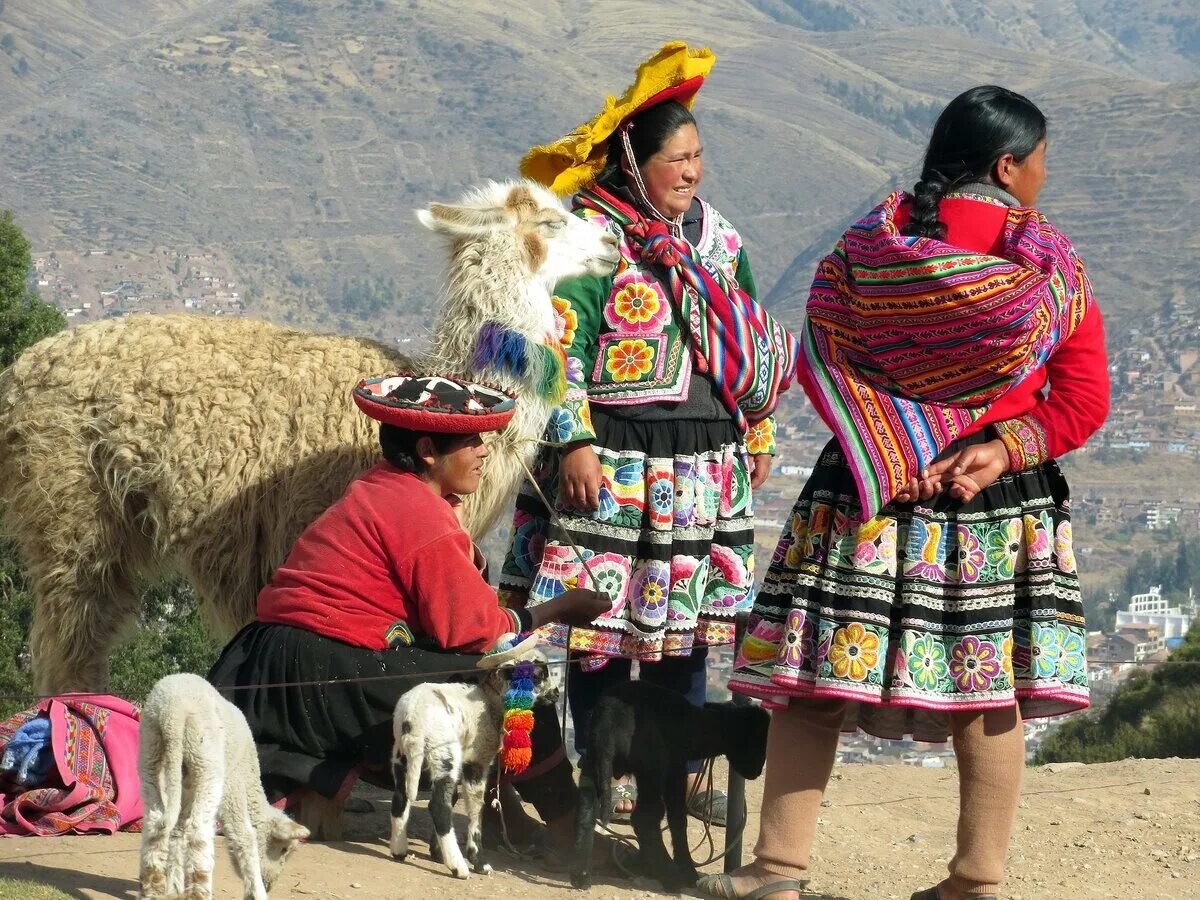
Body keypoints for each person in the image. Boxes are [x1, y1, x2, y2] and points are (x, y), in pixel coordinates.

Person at [704, 86, 1110, 900]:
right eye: (1040, 161)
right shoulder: (1049, 267)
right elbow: (1084, 397)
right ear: (1006, 165)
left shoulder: (864, 251)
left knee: (818, 677)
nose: (1043, 175)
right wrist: (999, 448)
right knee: (987, 690)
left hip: (864, 493)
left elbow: (822, 358)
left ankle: (777, 870)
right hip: (993, 504)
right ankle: (976, 880)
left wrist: (887, 445)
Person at [504, 42, 800, 825]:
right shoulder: (591, 237)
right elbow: (553, 345)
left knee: (687, 627)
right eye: (678, 157)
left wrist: (759, 432)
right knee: (601, 623)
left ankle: (676, 782)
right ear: (636, 162)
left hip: (706, 463)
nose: (693, 171)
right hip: (617, 460)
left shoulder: (719, 239)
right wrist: (572, 440)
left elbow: (746, 337)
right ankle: (597, 780)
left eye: (700, 156)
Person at [207, 372, 612, 863]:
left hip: (266, 662)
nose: (483, 451)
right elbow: (472, 633)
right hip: (320, 670)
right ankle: (573, 833)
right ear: (426, 450)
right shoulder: (417, 511)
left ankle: (509, 815)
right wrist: (560, 609)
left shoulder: (385, 488)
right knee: (515, 682)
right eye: (470, 441)